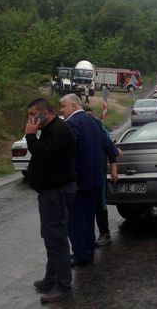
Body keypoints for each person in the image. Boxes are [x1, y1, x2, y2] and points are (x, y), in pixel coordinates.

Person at [24, 98, 76, 303]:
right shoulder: (49, 129)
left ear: (44, 112)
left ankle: (63, 285)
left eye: (32, 115)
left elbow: (42, 153)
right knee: (50, 236)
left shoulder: (58, 130)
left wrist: (30, 136)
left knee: (56, 238)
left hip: (57, 192)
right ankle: (51, 277)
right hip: (50, 192)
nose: (29, 119)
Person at [59, 94, 119, 267]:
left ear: (73, 106)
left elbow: (68, 153)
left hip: (78, 181)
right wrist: (114, 158)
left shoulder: (71, 124)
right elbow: (108, 145)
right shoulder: (95, 122)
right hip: (96, 179)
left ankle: (81, 254)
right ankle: (88, 251)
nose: (61, 111)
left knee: (77, 220)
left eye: (63, 107)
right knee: (88, 217)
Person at [82, 105, 120, 246]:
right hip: (86, 174)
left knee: (100, 204)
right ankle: (88, 236)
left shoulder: (99, 128)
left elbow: (110, 149)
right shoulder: (80, 129)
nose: (88, 119)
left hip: (100, 172)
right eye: (85, 116)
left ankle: (105, 233)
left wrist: (114, 169)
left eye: (90, 115)